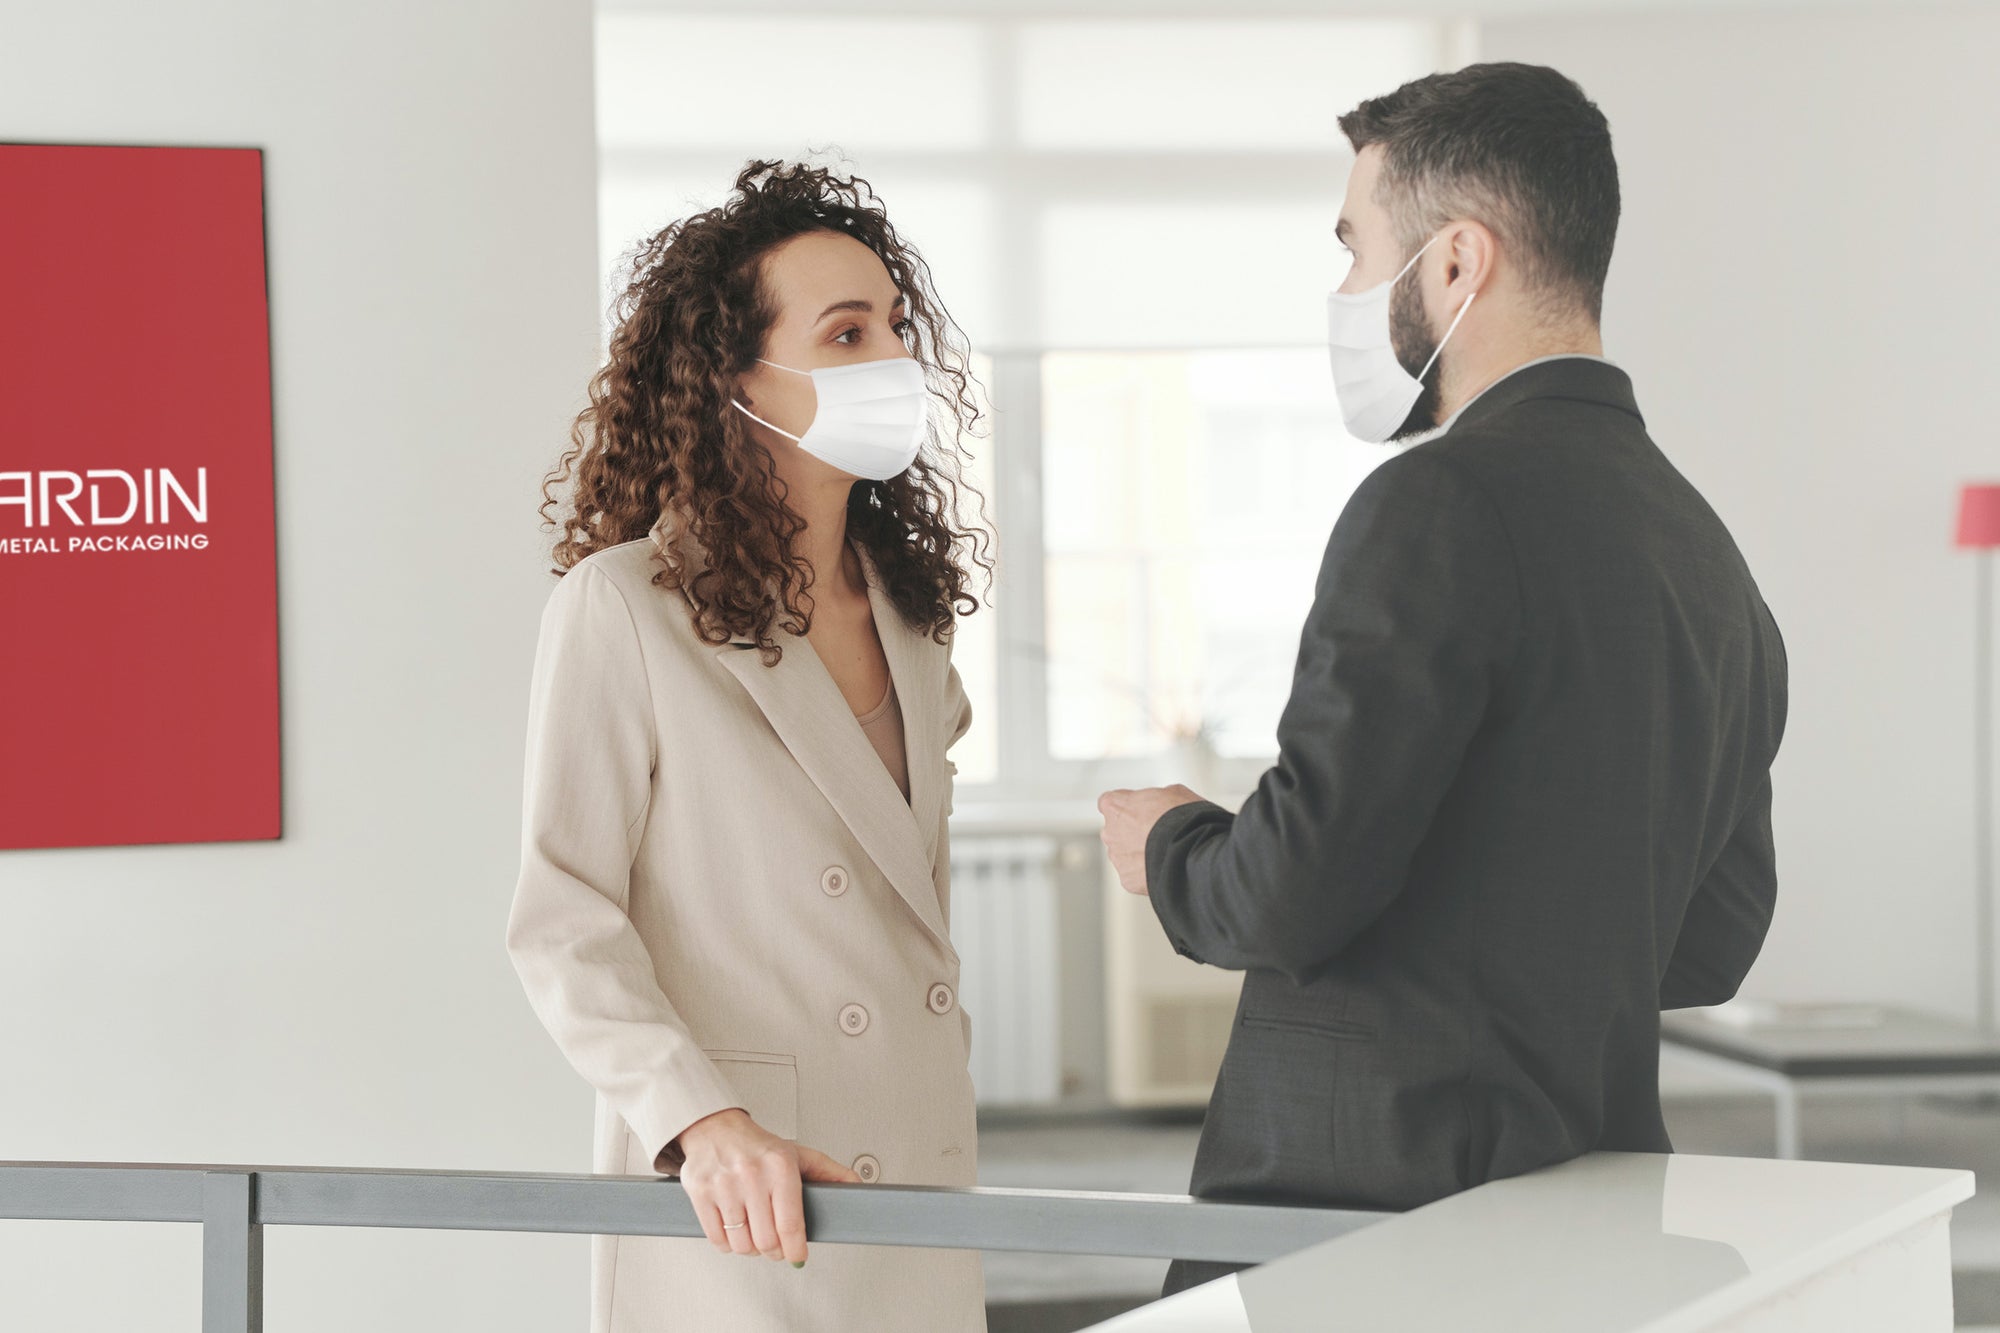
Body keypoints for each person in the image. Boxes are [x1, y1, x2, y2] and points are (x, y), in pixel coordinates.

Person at [1096, 62, 1788, 1299]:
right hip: (1588, 1220)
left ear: (1457, 263)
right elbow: (1710, 942)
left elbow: (1283, 896)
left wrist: (1168, 845)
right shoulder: (1703, 548)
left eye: (1357, 251)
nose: (1348, 293)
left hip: (1371, 1237)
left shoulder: (1434, 502)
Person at [507, 159, 993, 1332]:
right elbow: (562, 918)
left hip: (921, 1169)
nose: (891, 356)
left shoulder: (911, 616)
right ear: (737, 381)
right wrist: (698, 1122)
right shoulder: (625, 607)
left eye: (892, 323)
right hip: (750, 1192)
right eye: (843, 332)